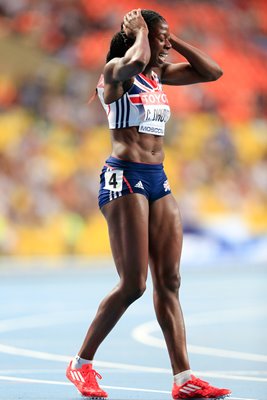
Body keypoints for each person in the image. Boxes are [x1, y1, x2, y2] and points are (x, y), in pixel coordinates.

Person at [66, 8, 231, 399]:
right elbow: (138, 58)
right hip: (123, 178)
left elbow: (213, 72)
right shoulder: (115, 72)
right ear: (137, 35)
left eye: (164, 39)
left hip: (158, 180)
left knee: (170, 282)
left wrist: (171, 41)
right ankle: (81, 364)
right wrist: (143, 32)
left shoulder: (158, 74)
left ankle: (183, 378)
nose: (162, 46)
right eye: (159, 37)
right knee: (133, 285)